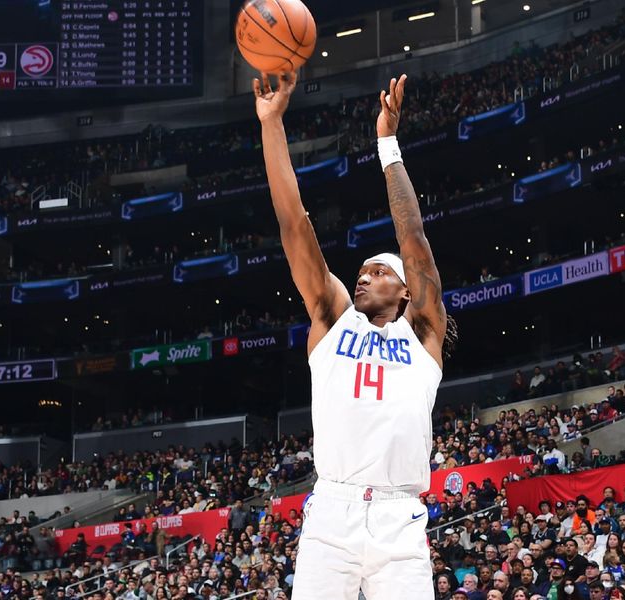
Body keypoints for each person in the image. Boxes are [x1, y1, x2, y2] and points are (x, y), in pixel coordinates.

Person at [255, 71, 454, 600]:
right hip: (332, 516)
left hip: (399, 518)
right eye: (360, 271)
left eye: (379, 272)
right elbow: (294, 224)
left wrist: (387, 144)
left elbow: (413, 238)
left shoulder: (423, 334)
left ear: (408, 291)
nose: (363, 276)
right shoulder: (333, 319)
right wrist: (271, 124)